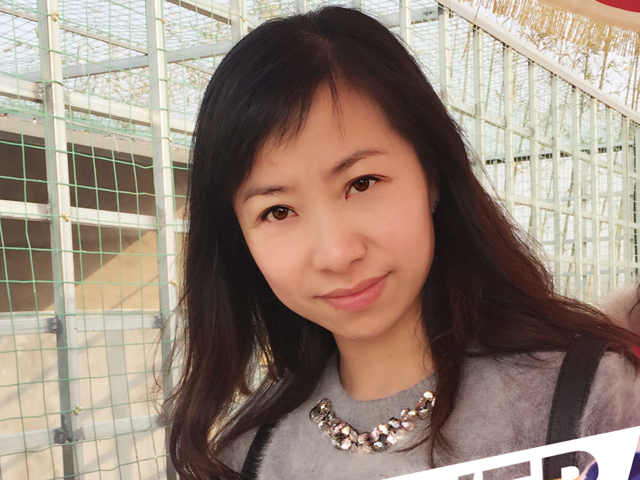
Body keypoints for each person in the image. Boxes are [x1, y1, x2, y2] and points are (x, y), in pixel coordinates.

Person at [165, 6, 640, 479]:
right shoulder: (244, 456)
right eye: (278, 211)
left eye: (362, 183)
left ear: (431, 174)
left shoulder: (589, 399)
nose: (336, 253)